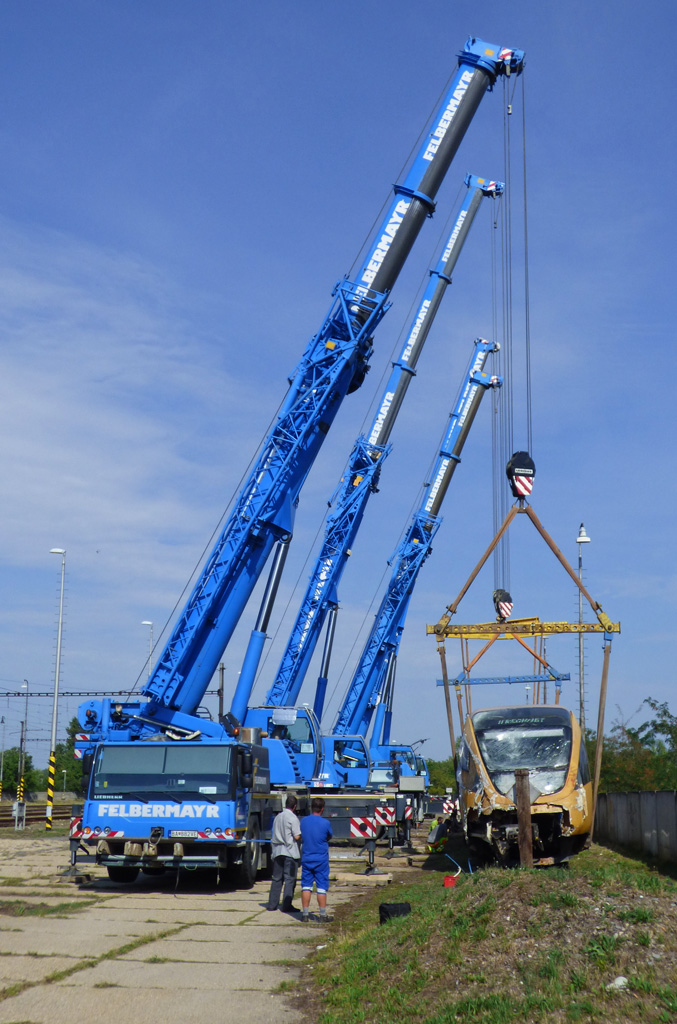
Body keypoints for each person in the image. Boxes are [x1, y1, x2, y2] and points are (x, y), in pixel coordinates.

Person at [266, 793, 302, 913]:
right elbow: (296, 836)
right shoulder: (293, 818)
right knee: (289, 879)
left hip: (277, 851)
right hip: (289, 852)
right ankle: (286, 905)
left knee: (276, 879)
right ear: (295, 806)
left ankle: (272, 904)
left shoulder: (278, 817)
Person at [300, 796, 333, 923]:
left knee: (306, 886)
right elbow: (329, 836)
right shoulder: (326, 823)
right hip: (321, 859)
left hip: (307, 858)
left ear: (311, 807)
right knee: (321, 888)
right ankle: (323, 915)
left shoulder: (304, 821)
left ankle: (305, 914)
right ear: (322, 809)